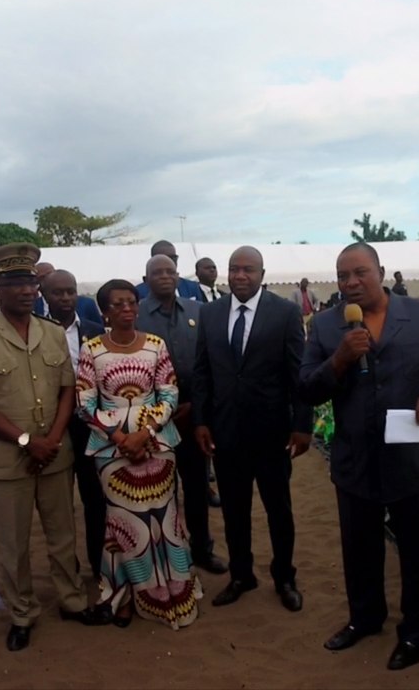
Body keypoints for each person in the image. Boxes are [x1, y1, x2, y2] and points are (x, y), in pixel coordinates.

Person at [299, 242, 419, 671]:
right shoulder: (324, 326)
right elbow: (307, 388)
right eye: (342, 277)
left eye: (360, 273)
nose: (351, 283)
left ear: (381, 271)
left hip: (412, 458)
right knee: (359, 551)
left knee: (417, 552)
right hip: (355, 460)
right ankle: (365, 620)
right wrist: (339, 360)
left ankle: (416, 632)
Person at [0, 244, 105, 653]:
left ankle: (73, 601)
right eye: (14, 283)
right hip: (7, 459)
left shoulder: (53, 332)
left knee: (62, 535)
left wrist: (54, 439)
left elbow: (66, 390)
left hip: (55, 452)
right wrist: (27, 442)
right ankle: (22, 613)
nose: (25, 291)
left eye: (29, 282)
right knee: (14, 542)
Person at [192, 246, 311, 613]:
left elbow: (298, 375)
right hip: (226, 433)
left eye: (248, 269)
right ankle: (241, 575)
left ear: (262, 273)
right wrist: (200, 420)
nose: (240, 276)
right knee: (234, 511)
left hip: (273, 433)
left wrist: (302, 425)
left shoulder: (286, 313)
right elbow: (202, 373)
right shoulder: (210, 314)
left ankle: (284, 577)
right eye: (234, 269)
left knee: (279, 510)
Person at [78, 278, 201, 628]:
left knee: (165, 520)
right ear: (104, 311)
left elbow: (170, 394)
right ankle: (126, 596)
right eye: (117, 304)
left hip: (157, 445)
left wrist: (145, 433)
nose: (127, 309)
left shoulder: (155, 345)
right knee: (124, 526)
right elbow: (85, 403)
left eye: (131, 302)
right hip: (111, 450)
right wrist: (120, 438)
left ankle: (173, 589)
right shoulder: (92, 350)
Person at [136, 255, 227, 575]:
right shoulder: (135, 316)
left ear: (178, 277)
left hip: (194, 417)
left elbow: (210, 364)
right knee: (161, 491)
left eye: (170, 271)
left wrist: (198, 410)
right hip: (153, 421)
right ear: (146, 279)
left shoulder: (198, 312)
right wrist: (161, 414)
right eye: (157, 272)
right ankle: (167, 553)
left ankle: (202, 549)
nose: (165, 276)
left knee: (197, 487)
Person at [40, 269, 107, 581]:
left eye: (71, 291)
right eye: (58, 293)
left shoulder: (95, 332)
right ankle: (67, 572)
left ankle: (99, 564)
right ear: (44, 294)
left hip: (90, 430)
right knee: (59, 506)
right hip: (52, 430)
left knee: (95, 499)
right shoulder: (34, 333)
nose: (66, 298)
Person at [32, 262, 105, 327]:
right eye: (42, 277)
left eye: (50, 274)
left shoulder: (87, 304)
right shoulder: (32, 307)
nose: (65, 298)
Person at [135, 240, 205, 301]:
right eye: (163, 258)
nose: (169, 261)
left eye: (173, 258)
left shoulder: (192, 287)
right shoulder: (139, 292)